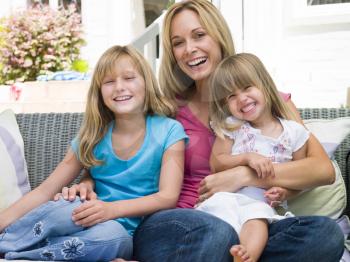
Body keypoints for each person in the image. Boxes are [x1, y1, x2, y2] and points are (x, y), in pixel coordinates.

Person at [62, 1, 344, 261]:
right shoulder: (167, 108)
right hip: (178, 222)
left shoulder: (269, 101)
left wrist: (243, 175)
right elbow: (122, 151)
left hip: (251, 220)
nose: (189, 49)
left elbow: (321, 170)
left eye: (199, 35)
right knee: (217, 233)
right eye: (178, 43)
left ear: (218, 37)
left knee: (325, 234)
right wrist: (88, 180)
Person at [0, 45, 187, 261]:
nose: (119, 87)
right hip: (84, 214)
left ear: (147, 83)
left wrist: (110, 210)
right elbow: (45, 191)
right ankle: (8, 244)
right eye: (109, 82)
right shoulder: (92, 136)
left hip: (123, 233)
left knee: (106, 239)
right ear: (99, 91)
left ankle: (16, 254)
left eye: (129, 78)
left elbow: (168, 197)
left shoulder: (170, 130)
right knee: (61, 211)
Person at [196, 53, 311, 262]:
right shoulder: (232, 125)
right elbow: (217, 162)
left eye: (247, 87)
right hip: (226, 196)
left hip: (259, 201)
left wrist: (286, 192)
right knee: (214, 227)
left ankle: (245, 257)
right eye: (231, 96)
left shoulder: (293, 132)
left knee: (256, 222)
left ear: (265, 85)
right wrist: (246, 157)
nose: (241, 99)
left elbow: (301, 175)